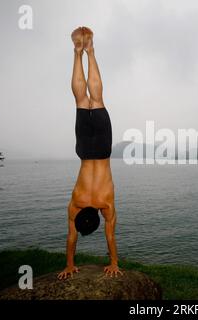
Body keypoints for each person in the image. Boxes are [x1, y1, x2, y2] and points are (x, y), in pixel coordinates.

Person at [57, 26, 122, 280]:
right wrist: (69, 264)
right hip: (85, 151)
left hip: (103, 150)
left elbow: (110, 235)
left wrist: (114, 262)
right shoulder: (76, 204)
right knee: (82, 100)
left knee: (97, 98)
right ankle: (79, 53)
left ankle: (89, 52)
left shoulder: (106, 205)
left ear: (96, 216)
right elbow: (71, 236)